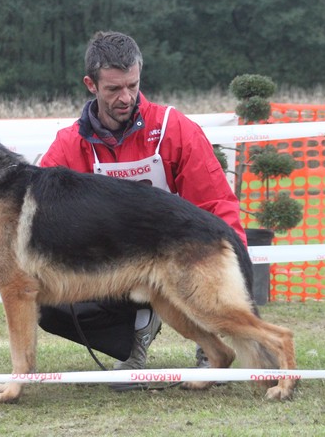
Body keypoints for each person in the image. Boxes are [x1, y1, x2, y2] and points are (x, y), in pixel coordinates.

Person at [38, 31, 248, 390]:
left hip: (180, 262)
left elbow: (216, 204)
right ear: (91, 84)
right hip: (114, 269)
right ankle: (134, 336)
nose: (126, 97)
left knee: (214, 268)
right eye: (113, 89)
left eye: (132, 85)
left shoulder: (172, 127)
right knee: (47, 302)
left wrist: (235, 267)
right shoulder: (70, 144)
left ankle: (210, 345)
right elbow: (40, 206)